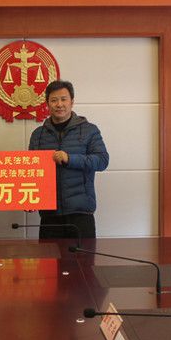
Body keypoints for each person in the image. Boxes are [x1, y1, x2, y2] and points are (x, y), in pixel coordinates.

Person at [28, 80, 109, 239]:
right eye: (54, 100)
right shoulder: (38, 134)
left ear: (72, 102)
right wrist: (29, 198)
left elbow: (102, 160)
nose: (59, 104)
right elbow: (32, 172)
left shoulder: (89, 130)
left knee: (83, 256)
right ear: (47, 104)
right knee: (48, 256)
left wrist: (70, 158)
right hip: (49, 215)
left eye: (63, 99)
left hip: (80, 213)